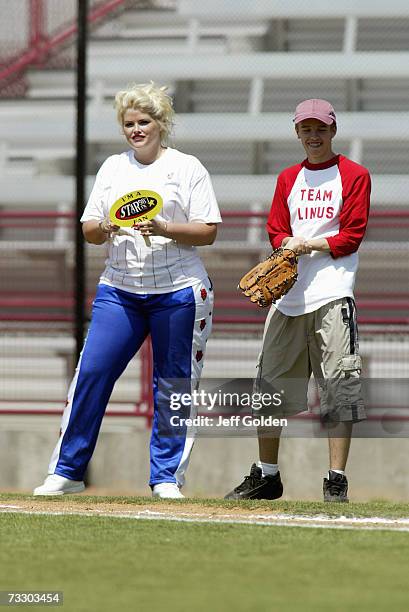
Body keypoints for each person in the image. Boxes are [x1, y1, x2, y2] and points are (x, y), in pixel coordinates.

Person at [34, 82, 221, 499]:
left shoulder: (187, 167)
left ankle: (166, 477)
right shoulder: (114, 168)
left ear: (161, 124)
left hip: (179, 291)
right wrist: (105, 226)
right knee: (92, 374)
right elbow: (89, 230)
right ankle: (67, 471)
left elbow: (208, 231)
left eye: (144, 121)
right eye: (129, 123)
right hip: (120, 289)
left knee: (174, 385)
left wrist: (165, 228)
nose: (137, 130)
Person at [225, 99, 371, 503]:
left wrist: (310, 243)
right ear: (297, 133)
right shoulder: (288, 178)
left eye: (320, 128)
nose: (313, 136)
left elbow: (352, 234)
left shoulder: (354, 175)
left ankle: (335, 480)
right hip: (288, 300)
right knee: (268, 390)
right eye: (306, 129)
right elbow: (276, 228)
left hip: (332, 294)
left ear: (332, 130)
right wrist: (286, 243)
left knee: (340, 389)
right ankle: (267, 475)